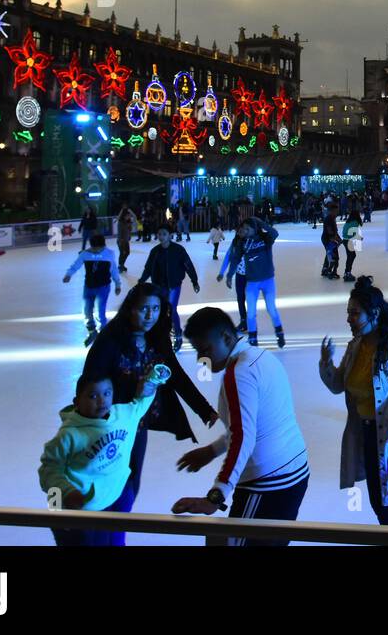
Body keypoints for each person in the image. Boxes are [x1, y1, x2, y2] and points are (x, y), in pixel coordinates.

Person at [173, 307, 311, 545]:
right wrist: (212, 451)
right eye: (197, 351)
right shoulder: (261, 356)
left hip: (267, 484)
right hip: (294, 472)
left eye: (205, 350)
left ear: (226, 338)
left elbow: (243, 436)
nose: (200, 359)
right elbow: (255, 426)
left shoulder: (238, 374)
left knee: (225, 543)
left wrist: (216, 496)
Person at [83, 283, 219, 517]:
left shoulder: (157, 337)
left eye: (155, 309)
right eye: (143, 309)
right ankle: (103, 526)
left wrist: (204, 410)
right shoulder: (110, 340)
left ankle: (118, 526)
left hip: (138, 423)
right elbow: (89, 381)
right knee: (107, 479)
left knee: (132, 479)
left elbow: (175, 373)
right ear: (130, 309)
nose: (150, 316)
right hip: (110, 424)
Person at [318, 276, 388, 526]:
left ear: (375, 313)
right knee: (380, 506)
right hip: (367, 436)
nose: (349, 319)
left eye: (355, 313)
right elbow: (337, 385)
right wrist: (326, 362)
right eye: (348, 313)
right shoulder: (355, 346)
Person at [38, 369, 159, 545]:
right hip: (86, 508)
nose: (102, 401)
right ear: (77, 402)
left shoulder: (123, 415)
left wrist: (152, 383)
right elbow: (48, 470)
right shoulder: (69, 436)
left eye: (107, 393)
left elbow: (140, 404)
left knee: (116, 541)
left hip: (118, 494)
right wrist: (65, 493)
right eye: (93, 396)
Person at [224, 217, 285, 348]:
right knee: (251, 312)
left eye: (248, 229)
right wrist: (229, 275)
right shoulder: (243, 243)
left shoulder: (265, 239)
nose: (245, 231)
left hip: (267, 280)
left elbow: (274, 233)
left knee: (271, 308)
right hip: (252, 282)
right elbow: (235, 259)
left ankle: (279, 332)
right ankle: (253, 338)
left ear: (255, 228)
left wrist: (261, 223)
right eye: (244, 229)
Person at [137, 225, 201, 350]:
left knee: (171, 309)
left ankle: (178, 334)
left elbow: (188, 265)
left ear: (170, 235)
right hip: (158, 286)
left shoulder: (178, 250)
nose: (161, 236)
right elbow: (148, 268)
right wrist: (141, 281)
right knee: (161, 311)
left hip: (174, 286)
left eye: (164, 234)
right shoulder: (155, 251)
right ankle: (162, 335)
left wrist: (194, 281)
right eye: (159, 234)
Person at [63, 233, 123, 347]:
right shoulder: (85, 254)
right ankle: (92, 331)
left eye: (98, 248)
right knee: (86, 310)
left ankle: (102, 334)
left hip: (103, 287)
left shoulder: (109, 254)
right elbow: (75, 265)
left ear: (103, 246)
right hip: (89, 287)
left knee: (100, 311)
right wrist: (68, 274)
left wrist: (118, 284)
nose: (96, 251)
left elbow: (114, 270)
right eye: (94, 248)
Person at [341, 209, 363, 282]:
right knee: (351, 256)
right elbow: (352, 233)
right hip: (348, 241)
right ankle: (347, 272)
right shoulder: (355, 222)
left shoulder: (348, 221)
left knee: (351, 256)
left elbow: (346, 232)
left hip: (345, 240)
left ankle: (347, 272)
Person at [320, 212, 342, 279]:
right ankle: (328, 270)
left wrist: (339, 240)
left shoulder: (332, 219)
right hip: (328, 240)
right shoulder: (329, 219)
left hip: (331, 241)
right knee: (331, 257)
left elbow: (335, 232)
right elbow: (330, 231)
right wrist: (336, 239)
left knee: (334, 257)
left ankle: (329, 270)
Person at [116, 206, 136, 272]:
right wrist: (120, 241)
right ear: (124, 216)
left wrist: (129, 235)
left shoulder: (128, 222)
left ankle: (122, 265)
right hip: (121, 240)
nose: (129, 217)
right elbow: (119, 232)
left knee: (127, 252)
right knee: (122, 253)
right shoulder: (120, 223)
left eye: (129, 216)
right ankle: (120, 266)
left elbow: (134, 217)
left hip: (126, 240)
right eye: (128, 215)